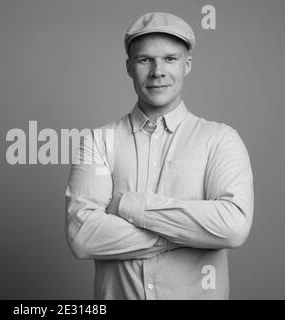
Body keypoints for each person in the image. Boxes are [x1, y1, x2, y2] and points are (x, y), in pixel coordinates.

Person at [65, 12, 254, 299]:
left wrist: (130, 206)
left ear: (187, 65)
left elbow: (232, 228)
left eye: (170, 59)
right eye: (145, 60)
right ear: (129, 67)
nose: (158, 71)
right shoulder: (98, 141)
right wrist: (190, 234)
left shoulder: (220, 139)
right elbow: (83, 238)